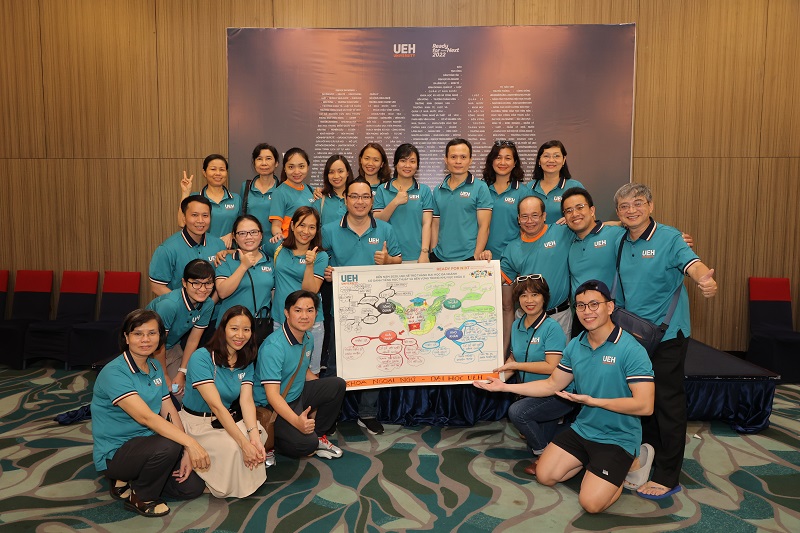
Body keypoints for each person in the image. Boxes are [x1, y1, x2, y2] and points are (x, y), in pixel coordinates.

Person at [475, 280, 655, 514]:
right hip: (583, 429)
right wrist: (504, 387)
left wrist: (593, 402)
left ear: (610, 307)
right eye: (581, 306)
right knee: (545, 476)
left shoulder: (631, 349)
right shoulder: (575, 346)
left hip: (617, 436)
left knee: (591, 504)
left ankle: (631, 462)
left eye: (594, 304)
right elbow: (552, 384)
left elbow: (645, 406)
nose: (587, 311)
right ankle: (594, 464)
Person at [614, 183, 717, 499]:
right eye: (624, 206)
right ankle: (647, 460)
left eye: (638, 203)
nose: (632, 210)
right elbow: (605, 225)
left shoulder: (671, 238)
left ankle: (668, 475)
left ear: (651, 206)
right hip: (634, 336)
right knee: (643, 402)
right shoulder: (621, 239)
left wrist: (704, 279)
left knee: (667, 405)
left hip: (668, 335)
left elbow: (693, 264)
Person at [91, 309, 208, 518]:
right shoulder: (114, 372)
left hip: (147, 445)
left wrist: (186, 451)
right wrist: (190, 443)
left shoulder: (154, 366)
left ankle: (131, 479)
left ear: (160, 336)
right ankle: (141, 496)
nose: (145, 340)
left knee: (191, 487)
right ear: (126, 337)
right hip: (116, 452)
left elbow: (169, 409)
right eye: (138, 334)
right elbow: (146, 417)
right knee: (169, 444)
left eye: (152, 333)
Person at [322, 178, 402, 435]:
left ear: (372, 200)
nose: (360, 201)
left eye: (365, 196)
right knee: (335, 363)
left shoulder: (385, 229)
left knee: (373, 359)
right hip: (342, 309)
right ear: (345, 200)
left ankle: (367, 413)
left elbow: (398, 260)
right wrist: (326, 272)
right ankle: (329, 415)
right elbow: (320, 260)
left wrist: (388, 260)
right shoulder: (329, 230)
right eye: (354, 196)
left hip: (377, 310)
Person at [179, 305, 267, 497]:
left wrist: (253, 437)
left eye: (246, 329)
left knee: (259, 435)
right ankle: (219, 482)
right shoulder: (202, 357)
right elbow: (216, 406)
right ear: (223, 329)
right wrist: (244, 444)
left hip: (224, 420)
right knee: (235, 447)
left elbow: (246, 401)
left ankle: (238, 473)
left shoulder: (246, 358)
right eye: (234, 328)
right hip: (198, 423)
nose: (240, 335)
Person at [253, 290, 346, 459]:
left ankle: (318, 436)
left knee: (337, 385)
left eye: (310, 310)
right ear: (286, 313)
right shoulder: (274, 347)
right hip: (273, 405)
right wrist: (297, 422)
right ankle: (275, 442)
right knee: (306, 445)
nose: (304, 316)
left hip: (297, 395)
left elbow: (303, 370)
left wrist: (321, 394)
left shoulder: (308, 337)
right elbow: (272, 396)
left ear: (316, 314)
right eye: (298, 310)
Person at [494, 275, 572, 475]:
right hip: (529, 392)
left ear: (544, 298)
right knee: (533, 435)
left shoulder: (552, 327)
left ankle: (544, 454)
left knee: (518, 413)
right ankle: (558, 438)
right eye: (524, 295)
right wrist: (496, 379)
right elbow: (513, 359)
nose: (529, 300)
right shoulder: (516, 325)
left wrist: (517, 365)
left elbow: (551, 366)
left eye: (535, 294)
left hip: (555, 393)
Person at [500, 196, 574, 352]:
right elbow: (497, 281)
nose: (529, 221)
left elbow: (592, 227)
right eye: (524, 216)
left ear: (544, 216)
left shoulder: (562, 232)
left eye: (535, 215)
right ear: (518, 219)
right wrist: (484, 263)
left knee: (559, 365)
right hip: (527, 319)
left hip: (559, 316)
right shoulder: (512, 249)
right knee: (525, 363)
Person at [273, 206, 329, 375]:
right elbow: (251, 250)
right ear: (292, 226)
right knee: (281, 371)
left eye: (312, 227)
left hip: (311, 323)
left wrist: (309, 265)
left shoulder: (320, 256)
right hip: (281, 320)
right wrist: (226, 251)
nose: (306, 231)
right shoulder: (279, 248)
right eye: (302, 225)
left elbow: (311, 290)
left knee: (311, 372)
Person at [147, 259, 216, 394]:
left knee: (183, 392)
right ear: (184, 283)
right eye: (196, 283)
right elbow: (158, 344)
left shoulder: (208, 304)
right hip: (149, 350)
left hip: (172, 348)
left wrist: (182, 372)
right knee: (159, 392)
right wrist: (164, 374)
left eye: (208, 283)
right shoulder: (169, 305)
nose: (203, 289)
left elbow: (193, 340)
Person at [430, 138, 493, 262]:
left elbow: (484, 226)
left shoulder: (480, 187)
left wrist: (476, 255)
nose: (458, 161)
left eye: (463, 157)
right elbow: (435, 225)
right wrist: (433, 251)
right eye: (453, 157)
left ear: (470, 160)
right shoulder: (438, 189)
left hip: (468, 257)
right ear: (446, 160)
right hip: (439, 256)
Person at [150, 195, 226, 297]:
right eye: (194, 215)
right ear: (184, 218)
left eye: (205, 215)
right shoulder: (167, 249)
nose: (200, 220)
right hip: (180, 306)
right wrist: (183, 304)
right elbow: (157, 286)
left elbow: (222, 282)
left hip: (213, 305)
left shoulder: (219, 245)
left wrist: (210, 304)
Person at [374, 143, 434, 264]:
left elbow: (427, 224)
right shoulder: (382, 189)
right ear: (395, 164)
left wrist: (424, 252)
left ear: (417, 165)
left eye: (412, 161)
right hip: (389, 256)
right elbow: (377, 221)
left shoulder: (424, 190)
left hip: (416, 256)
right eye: (403, 160)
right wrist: (395, 201)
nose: (407, 165)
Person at [214, 215, 275, 334]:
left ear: (261, 235)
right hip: (230, 328)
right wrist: (243, 266)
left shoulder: (270, 262)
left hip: (260, 326)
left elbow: (274, 296)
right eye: (242, 233)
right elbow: (222, 292)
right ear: (235, 237)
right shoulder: (225, 260)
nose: (249, 237)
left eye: (254, 232)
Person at [482, 140, 532, 259]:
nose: (502, 162)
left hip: (513, 257)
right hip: (483, 256)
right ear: (491, 161)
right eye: (498, 158)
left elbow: (529, 227)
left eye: (508, 158)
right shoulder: (482, 189)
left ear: (515, 163)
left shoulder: (523, 192)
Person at [180, 154, 241, 249]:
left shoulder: (236, 198)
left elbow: (243, 226)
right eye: (213, 169)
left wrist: (232, 234)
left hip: (229, 251)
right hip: (201, 250)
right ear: (204, 172)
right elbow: (181, 223)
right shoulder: (195, 198)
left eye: (222, 169)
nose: (218, 173)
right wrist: (185, 192)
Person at [529, 140, 584, 223]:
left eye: (556, 156)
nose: (551, 160)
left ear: (564, 160)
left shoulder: (574, 187)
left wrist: (572, 218)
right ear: (539, 161)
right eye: (546, 156)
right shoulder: (529, 188)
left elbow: (587, 216)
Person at [269, 147, 317, 239]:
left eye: (301, 166)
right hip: (290, 243)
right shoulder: (279, 192)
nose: (296, 172)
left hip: (309, 243)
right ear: (284, 168)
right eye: (291, 167)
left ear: (308, 167)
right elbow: (276, 226)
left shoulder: (311, 190)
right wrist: (279, 237)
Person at [240, 143, 280, 232]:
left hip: (276, 239)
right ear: (254, 163)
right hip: (250, 239)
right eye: (259, 159)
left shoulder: (282, 189)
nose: (264, 163)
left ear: (276, 163)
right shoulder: (246, 187)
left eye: (268, 158)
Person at [318, 154, 354, 227]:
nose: (336, 176)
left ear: (347, 173)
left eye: (340, 171)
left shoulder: (356, 198)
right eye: (331, 172)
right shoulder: (320, 200)